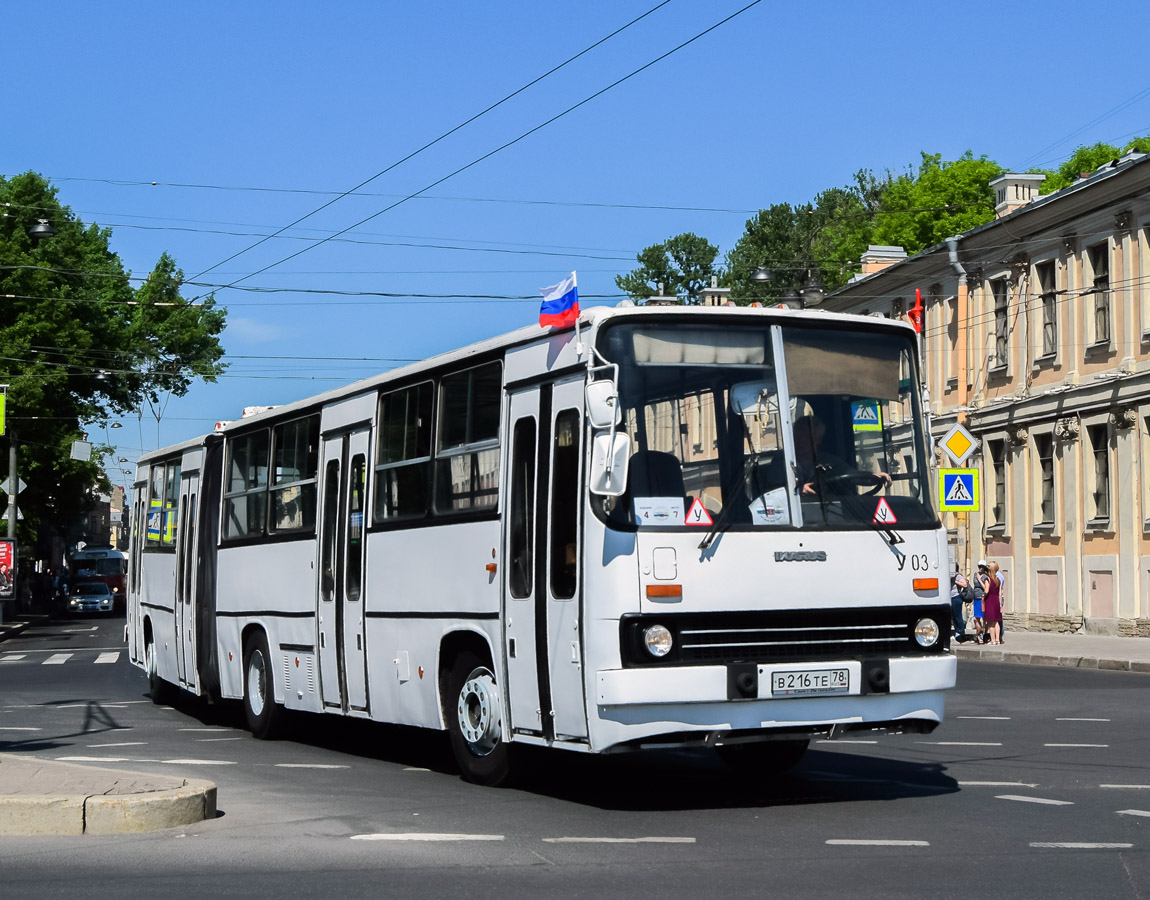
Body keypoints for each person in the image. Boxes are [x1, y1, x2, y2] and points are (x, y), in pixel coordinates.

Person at [792, 414, 892, 496]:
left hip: (830, 512)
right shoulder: (783, 463)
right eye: (801, 436)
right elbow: (777, 490)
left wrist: (874, 477)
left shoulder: (828, 461)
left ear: (819, 441)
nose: (803, 441)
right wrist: (799, 490)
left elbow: (852, 475)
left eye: (812, 438)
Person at [978, 560, 1004, 645]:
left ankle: (992, 640)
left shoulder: (988, 579)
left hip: (989, 601)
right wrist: (1000, 604)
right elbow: (1000, 592)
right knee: (996, 622)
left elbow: (986, 590)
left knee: (990, 622)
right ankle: (997, 640)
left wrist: (983, 596)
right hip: (996, 601)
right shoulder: (998, 580)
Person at [950, 568, 970, 642]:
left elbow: (965, 584)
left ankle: (961, 633)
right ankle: (956, 632)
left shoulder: (957, 575)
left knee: (958, 615)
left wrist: (955, 581)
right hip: (949, 597)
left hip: (956, 597)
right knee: (952, 616)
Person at [972, 560, 988, 643]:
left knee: (984, 618)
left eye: (982, 567)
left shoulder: (985, 576)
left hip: (982, 598)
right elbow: (974, 586)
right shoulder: (975, 574)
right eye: (979, 566)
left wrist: (979, 579)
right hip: (975, 597)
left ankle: (983, 635)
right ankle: (978, 634)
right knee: (976, 618)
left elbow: (985, 588)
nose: (980, 568)